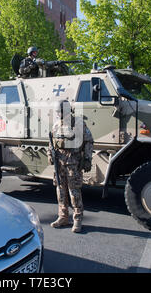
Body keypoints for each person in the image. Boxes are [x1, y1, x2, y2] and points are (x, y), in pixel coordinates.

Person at [48, 100, 94, 233]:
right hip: (59, 162)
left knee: (74, 191)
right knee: (60, 190)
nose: (58, 114)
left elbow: (89, 141)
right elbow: (51, 142)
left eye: (60, 112)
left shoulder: (78, 123)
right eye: (57, 112)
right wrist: (50, 155)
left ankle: (78, 219)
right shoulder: (56, 125)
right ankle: (63, 216)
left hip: (73, 162)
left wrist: (87, 158)